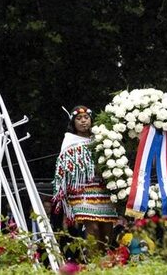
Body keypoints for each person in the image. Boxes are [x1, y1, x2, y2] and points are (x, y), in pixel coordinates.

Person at [52, 106, 118, 253]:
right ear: (73, 123)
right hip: (80, 190)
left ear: (91, 120)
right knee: (92, 228)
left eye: (86, 118)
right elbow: (63, 169)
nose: (83, 121)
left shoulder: (101, 139)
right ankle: (93, 263)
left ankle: (106, 262)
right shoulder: (69, 141)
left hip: (103, 189)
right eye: (79, 118)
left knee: (107, 229)